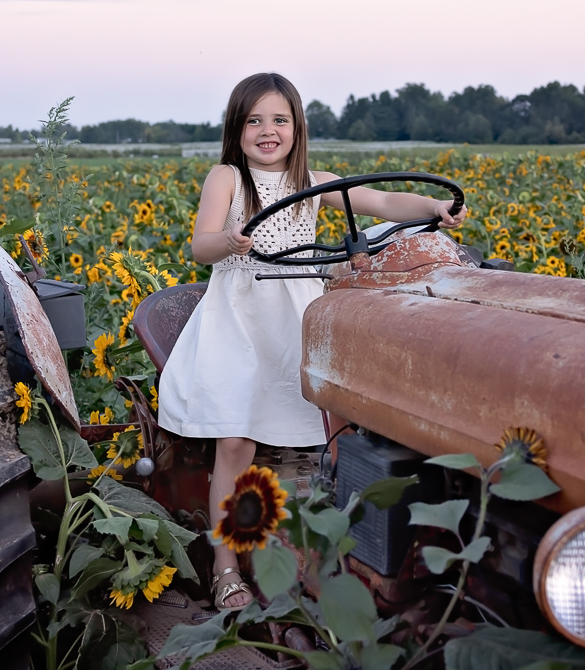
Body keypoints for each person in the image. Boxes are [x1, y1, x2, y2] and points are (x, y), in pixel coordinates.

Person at [155, 71, 466, 609]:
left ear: (297, 127)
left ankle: (325, 552)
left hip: (297, 316)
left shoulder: (316, 181)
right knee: (235, 441)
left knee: (333, 433)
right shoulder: (226, 177)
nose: (267, 131)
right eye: (254, 121)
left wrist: (433, 209)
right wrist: (227, 240)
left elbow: (386, 204)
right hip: (240, 318)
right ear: (237, 128)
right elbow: (200, 245)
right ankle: (225, 567)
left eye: (279, 119)